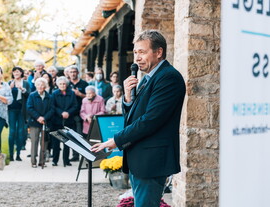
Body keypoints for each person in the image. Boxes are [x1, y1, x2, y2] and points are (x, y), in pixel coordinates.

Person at [91, 30, 186, 207]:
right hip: (139, 158)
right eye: (135, 52)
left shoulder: (168, 77)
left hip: (152, 161)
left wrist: (116, 141)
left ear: (158, 52)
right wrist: (127, 97)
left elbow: (151, 120)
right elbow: (134, 116)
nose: (137, 58)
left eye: (142, 52)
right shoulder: (145, 79)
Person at [26, 78, 54, 168]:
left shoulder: (49, 96)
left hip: (45, 122)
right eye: (38, 85)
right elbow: (29, 108)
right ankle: (33, 162)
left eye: (42, 85)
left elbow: (52, 109)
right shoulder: (32, 95)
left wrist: (44, 118)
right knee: (34, 141)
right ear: (36, 86)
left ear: (45, 86)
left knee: (44, 142)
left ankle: (42, 161)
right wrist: (38, 117)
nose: (40, 87)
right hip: (34, 122)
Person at [51, 76, 77, 167]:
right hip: (57, 120)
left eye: (64, 84)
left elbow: (75, 105)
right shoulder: (54, 94)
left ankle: (66, 160)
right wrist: (61, 112)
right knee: (56, 142)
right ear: (58, 85)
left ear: (67, 84)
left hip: (69, 120)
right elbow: (52, 106)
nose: (62, 85)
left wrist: (68, 113)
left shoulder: (72, 93)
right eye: (61, 84)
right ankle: (55, 160)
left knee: (67, 142)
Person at [8, 66, 30, 161]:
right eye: (14, 72)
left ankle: (18, 154)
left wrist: (22, 89)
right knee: (12, 131)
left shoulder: (25, 83)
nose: (16, 73)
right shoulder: (9, 83)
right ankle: (11, 154)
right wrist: (9, 88)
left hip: (22, 110)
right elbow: (4, 95)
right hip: (11, 110)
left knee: (21, 132)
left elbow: (29, 95)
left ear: (21, 73)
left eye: (17, 72)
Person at [68, 65, 88, 161]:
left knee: (80, 135)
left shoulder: (84, 84)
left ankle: (83, 154)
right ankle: (75, 155)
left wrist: (80, 94)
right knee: (71, 135)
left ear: (78, 73)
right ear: (68, 73)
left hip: (81, 113)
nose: (73, 73)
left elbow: (89, 97)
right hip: (69, 114)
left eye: (74, 71)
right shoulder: (66, 84)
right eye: (71, 72)